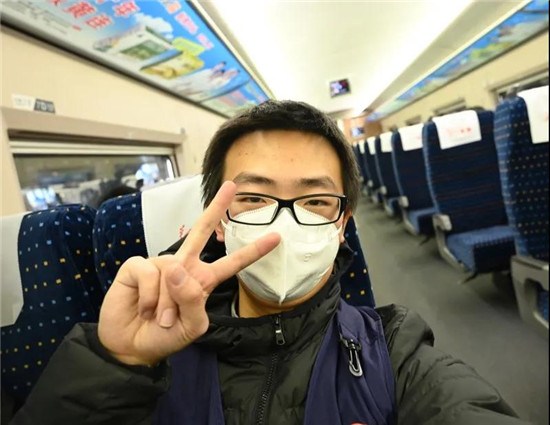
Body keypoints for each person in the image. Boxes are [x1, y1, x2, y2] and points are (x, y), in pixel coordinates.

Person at [10, 100, 530, 425]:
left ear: (342, 225)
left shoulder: (393, 351)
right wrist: (116, 363)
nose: (284, 225)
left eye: (315, 200)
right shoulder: (144, 359)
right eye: (255, 198)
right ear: (218, 222)